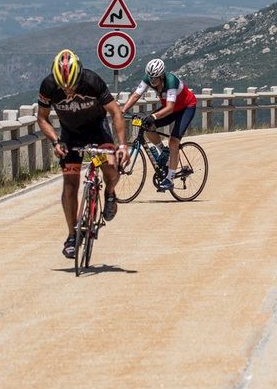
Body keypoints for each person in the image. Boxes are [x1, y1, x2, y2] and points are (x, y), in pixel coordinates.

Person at [37, 49, 128, 259]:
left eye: (73, 86)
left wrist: (122, 145)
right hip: (70, 134)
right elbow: (42, 118)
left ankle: (110, 193)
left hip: (97, 129)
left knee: (112, 169)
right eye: (63, 87)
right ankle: (71, 235)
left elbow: (115, 112)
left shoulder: (92, 81)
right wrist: (55, 141)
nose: (68, 91)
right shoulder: (49, 86)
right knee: (70, 184)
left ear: (80, 76)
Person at [120, 58, 198, 192]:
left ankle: (169, 179)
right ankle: (163, 151)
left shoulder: (171, 81)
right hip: (171, 109)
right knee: (148, 126)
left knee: (173, 141)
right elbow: (135, 96)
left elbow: (170, 107)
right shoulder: (148, 78)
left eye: (155, 78)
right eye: (150, 77)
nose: (152, 81)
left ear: (161, 75)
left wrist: (153, 116)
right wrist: (122, 111)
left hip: (186, 108)